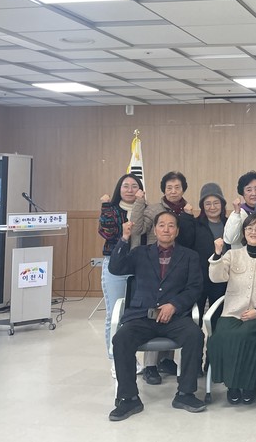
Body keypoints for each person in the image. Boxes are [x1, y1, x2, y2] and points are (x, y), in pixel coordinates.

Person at [108, 211, 205, 421]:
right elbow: (115, 268)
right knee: (121, 339)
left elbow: (195, 288)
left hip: (175, 317)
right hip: (142, 315)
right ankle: (129, 398)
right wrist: (124, 238)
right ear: (155, 229)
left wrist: (174, 305)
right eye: (162, 225)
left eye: (171, 225)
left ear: (177, 231)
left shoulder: (189, 256)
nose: (166, 229)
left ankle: (185, 394)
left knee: (195, 336)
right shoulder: (140, 253)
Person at [206, 214, 256, 405]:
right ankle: (232, 385)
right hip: (232, 313)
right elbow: (217, 277)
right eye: (249, 228)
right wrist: (217, 254)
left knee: (247, 337)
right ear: (243, 232)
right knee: (220, 337)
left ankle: (249, 385)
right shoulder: (233, 255)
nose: (253, 232)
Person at [132, 171, 199, 384]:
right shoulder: (154, 209)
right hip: (154, 263)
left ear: (183, 189)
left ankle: (166, 360)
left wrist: (188, 217)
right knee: (155, 307)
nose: (173, 191)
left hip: (179, 264)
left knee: (172, 310)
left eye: (177, 187)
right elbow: (138, 228)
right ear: (163, 190)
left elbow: (190, 238)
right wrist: (139, 203)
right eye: (169, 187)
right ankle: (150, 365)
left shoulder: (187, 209)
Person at [98, 173, 148, 375]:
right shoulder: (111, 209)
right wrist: (105, 206)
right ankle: (116, 359)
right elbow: (107, 233)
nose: (129, 190)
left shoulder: (145, 209)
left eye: (134, 186)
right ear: (119, 189)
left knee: (134, 316)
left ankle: (131, 356)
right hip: (115, 264)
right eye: (125, 186)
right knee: (115, 313)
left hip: (139, 266)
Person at [192, 182, 228, 324]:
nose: (212, 207)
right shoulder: (195, 224)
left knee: (217, 314)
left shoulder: (229, 223)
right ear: (202, 206)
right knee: (197, 314)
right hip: (200, 276)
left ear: (222, 204)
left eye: (216, 203)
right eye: (207, 204)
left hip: (221, 277)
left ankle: (215, 338)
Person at [223, 171, 256, 250]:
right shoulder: (239, 212)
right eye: (249, 190)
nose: (254, 193)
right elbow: (230, 239)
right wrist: (236, 214)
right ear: (243, 193)